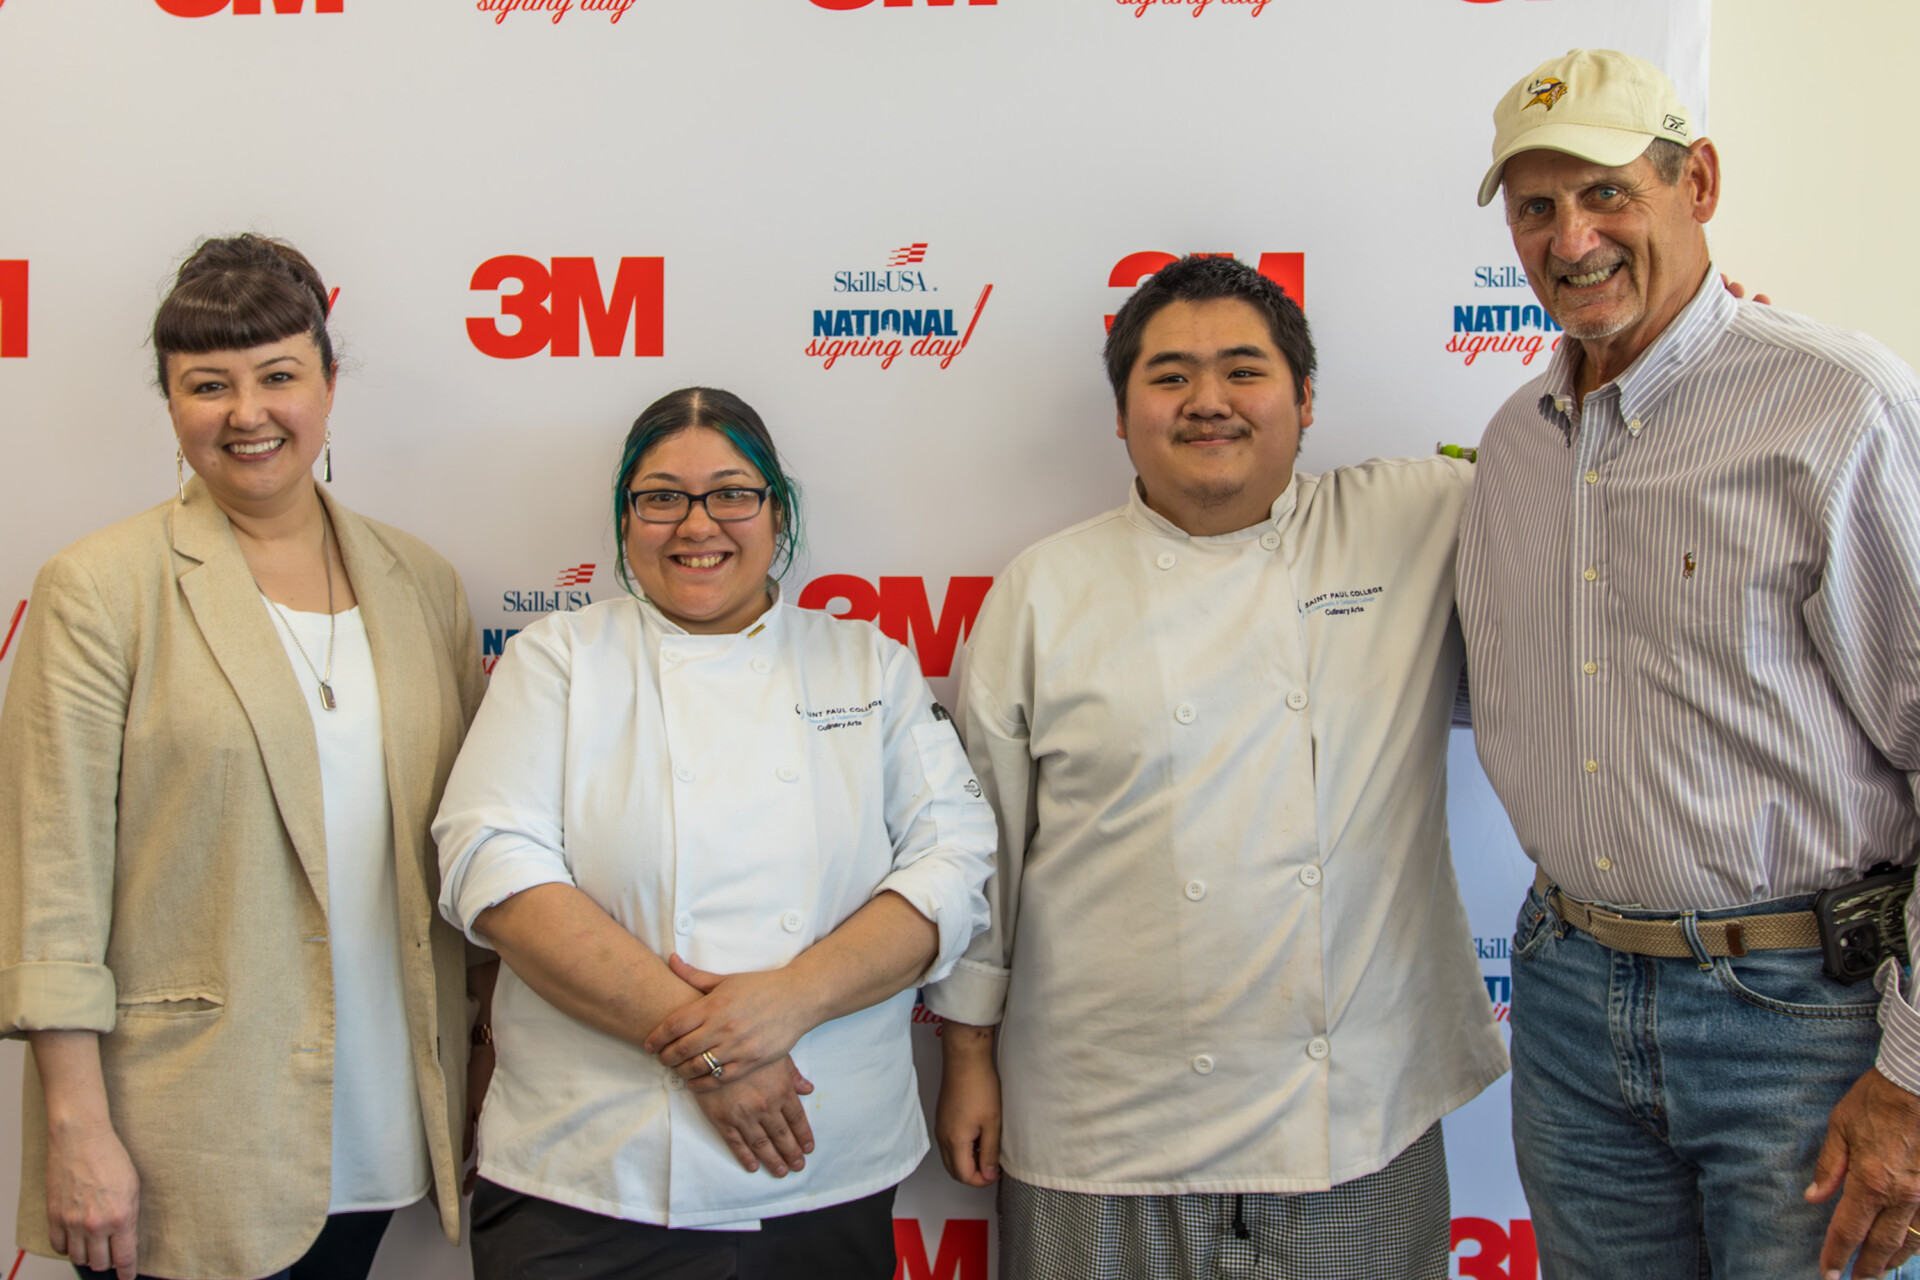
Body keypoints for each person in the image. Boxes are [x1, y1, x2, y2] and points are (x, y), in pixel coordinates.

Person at [929, 254, 1509, 1280]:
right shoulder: (1046, 588)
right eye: (1168, 376)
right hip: (1100, 1119)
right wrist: (968, 1057)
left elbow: (1596, 491)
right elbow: (984, 851)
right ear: (1122, 413)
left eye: (1244, 370)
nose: (1208, 401)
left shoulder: (1418, 519)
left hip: (1354, 1118)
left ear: (1306, 397)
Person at [1457, 47, 1920, 1280]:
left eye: (1608, 192)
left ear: (1697, 183)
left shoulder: (1837, 409)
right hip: (1567, 1001)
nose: (1573, 236)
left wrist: (1914, 1075)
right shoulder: (1512, 449)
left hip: (1805, 1024)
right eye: (1537, 206)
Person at [0, 234, 487, 1280]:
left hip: (382, 1109)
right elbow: (52, 878)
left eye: (278, 376)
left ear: (328, 382)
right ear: (171, 403)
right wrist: (76, 1125)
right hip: (186, 1131)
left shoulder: (423, 583)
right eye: (206, 385)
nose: (247, 412)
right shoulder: (101, 587)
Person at [432, 386, 994, 1280]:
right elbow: (490, 868)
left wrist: (793, 998)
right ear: (625, 519)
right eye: (661, 497)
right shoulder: (558, 660)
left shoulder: (867, 665)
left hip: (821, 1167)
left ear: (779, 512)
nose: (699, 525)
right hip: (587, 1176)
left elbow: (956, 863)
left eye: (733, 493)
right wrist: (716, 1049)